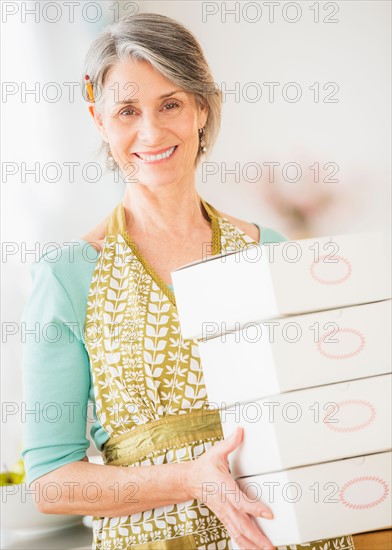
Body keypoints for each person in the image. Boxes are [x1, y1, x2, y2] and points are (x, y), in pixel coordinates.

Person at [21, 12, 356, 550]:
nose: (151, 132)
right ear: (98, 121)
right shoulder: (66, 277)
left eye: (170, 103)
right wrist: (186, 480)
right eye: (127, 110)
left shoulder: (269, 251)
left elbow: (324, 414)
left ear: (203, 107)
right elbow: (51, 483)